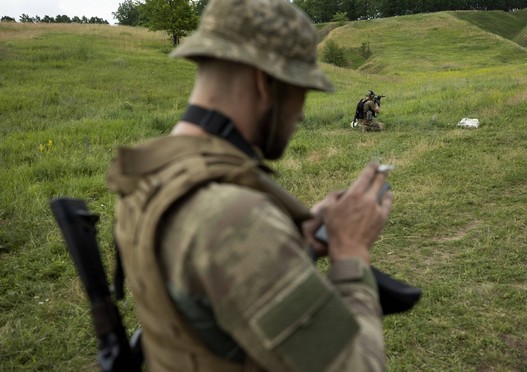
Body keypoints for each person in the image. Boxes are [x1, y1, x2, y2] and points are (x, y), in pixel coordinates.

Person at [106, 0, 393, 370]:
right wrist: (351, 254)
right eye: (300, 91)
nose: (302, 111)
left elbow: (206, 297)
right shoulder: (236, 218)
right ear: (266, 81)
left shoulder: (153, 174)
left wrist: (292, 238)